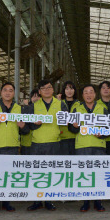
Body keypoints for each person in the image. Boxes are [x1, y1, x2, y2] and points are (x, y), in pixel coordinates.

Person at [0, 82, 29, 213]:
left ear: (14, 93)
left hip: (13, 147)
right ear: (1, 93)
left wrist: (23, 126)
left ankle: (7, 202)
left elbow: (26, 131)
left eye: (11, 90)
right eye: (5, 90)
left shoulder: (19, 109)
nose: (8, 93)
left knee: (9, 176)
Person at [25, 79, 68, 211]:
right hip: (37, 143)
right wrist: (34, 124)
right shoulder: (34, 106)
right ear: (39, 92)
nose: (47, 90)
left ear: (53, 89)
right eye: (43, 88)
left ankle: (49, 200)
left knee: (51, 173)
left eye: (49, 87)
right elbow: (27, 125)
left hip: (54, 142)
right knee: (36, 174)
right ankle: (36, 200)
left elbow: (67, 121)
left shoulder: (61, 104)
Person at [68, 84, 108, 212]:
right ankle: (86, 201)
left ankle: (98, 202)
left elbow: (109, 128)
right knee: (84, 175)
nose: (89, 95)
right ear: (82, 95)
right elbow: (71, 129)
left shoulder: (102, 108)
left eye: (91, 92)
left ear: (95, 95)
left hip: (98, 145)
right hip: (82, 146)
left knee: (98, 174)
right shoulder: (77, 109)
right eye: (86, 92)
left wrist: (102, 132)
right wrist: (74, 126)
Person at [59, 81, 79, 155]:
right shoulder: (59, 103)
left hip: (76, 138)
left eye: (71, 88)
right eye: (66, 89)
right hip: (62, 138)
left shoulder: (80, 104)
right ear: (63, 91)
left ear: (74, 90)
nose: (69, 91)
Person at [98, 81, 110, 155]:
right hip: (100, 139)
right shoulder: (96, 104)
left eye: (108, 88)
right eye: (103, 88)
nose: (106, 90)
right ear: (100, 91)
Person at [20, 89, 39, 155]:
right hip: (27, 142)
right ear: (31, 98)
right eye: (34, 96)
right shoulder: (25, 108)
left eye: (38, 96)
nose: (36, 98)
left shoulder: (43, 110)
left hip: (39, 142)